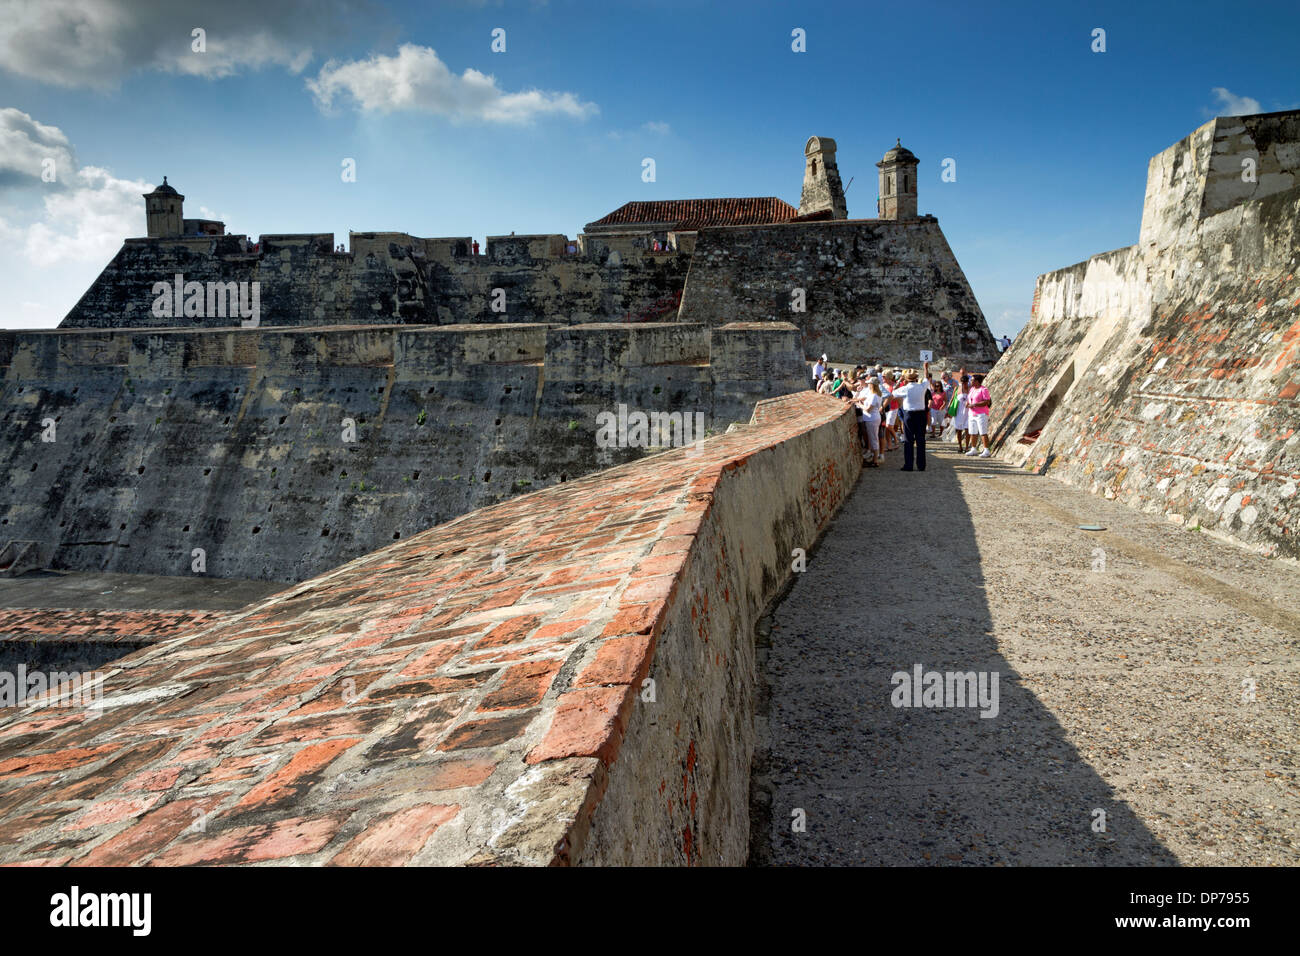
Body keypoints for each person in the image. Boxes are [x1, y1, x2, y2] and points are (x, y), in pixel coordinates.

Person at [893, 362, 933, 471]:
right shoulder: (922, 387)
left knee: (908, 440)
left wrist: (900, 381)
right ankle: (921, 465)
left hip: (909, 415)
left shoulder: (905, 388)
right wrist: (925, 368)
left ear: (906, 379)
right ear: (916, 378)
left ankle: (909, 465)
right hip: (921, 414)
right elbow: (926, 377)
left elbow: (893, 392)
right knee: (921, 440)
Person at [965, 374, 993, 458]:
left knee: (983, 432)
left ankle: (986, 450)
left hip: (981, 414)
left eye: (972, 380)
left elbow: (986, 401)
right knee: (973, 432)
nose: (971, 381)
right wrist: (968, 403)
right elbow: (969, 399)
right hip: (972, 414)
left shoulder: (983, 390)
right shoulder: (972, 389)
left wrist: (974, 404)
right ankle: (973, 449)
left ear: (977, 381)